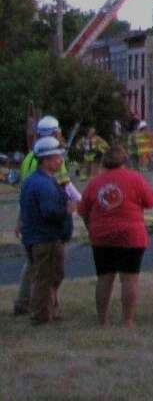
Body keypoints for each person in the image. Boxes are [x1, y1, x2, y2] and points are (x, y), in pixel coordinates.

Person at [79, 143, 153, 327]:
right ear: (125, 161)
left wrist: (91, 228)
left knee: (104, 277)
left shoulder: (95, 182)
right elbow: (151, 201)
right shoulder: (135, 178)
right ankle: (127, 320)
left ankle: (102, 320)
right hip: (131, 235)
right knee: (129, 278)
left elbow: (83, 210)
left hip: (102, 236)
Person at [13, 116, 81, 317]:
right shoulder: (48, 169)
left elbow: (24, 191)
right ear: (54, 133)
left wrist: (21, 219)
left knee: (33, 268)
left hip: (31, 221)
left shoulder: (28, 158)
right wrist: (77, 204)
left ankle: (25, 302)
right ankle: (43, 308)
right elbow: (64, 188)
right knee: (46, 272)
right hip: (45, 229)